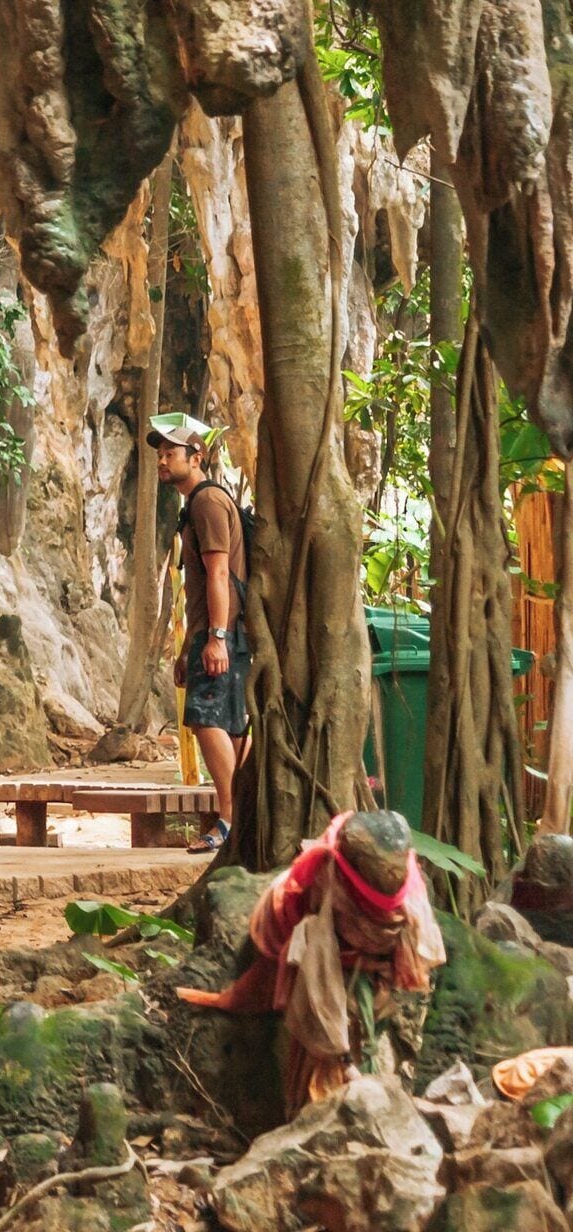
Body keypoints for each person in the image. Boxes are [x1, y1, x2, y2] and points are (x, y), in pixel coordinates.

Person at [178, 807, 441, 1107]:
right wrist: (344, 1064)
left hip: (365, 966)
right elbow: (319, 993)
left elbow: (416, 945)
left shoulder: (406, 895)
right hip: (297, 950)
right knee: (321, 1079)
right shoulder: (324, 898)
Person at [151, 412, 245, 854]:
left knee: (206, 719)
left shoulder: (207, 503)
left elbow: (219, 571)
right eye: (160, 455)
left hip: (223, 631)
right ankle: (240, 816)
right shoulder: (200, 504)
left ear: (197, 455)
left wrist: (216, 638)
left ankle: (229, 819)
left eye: (171, 454)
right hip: (220, 632)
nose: (162, 462)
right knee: (234, 725)